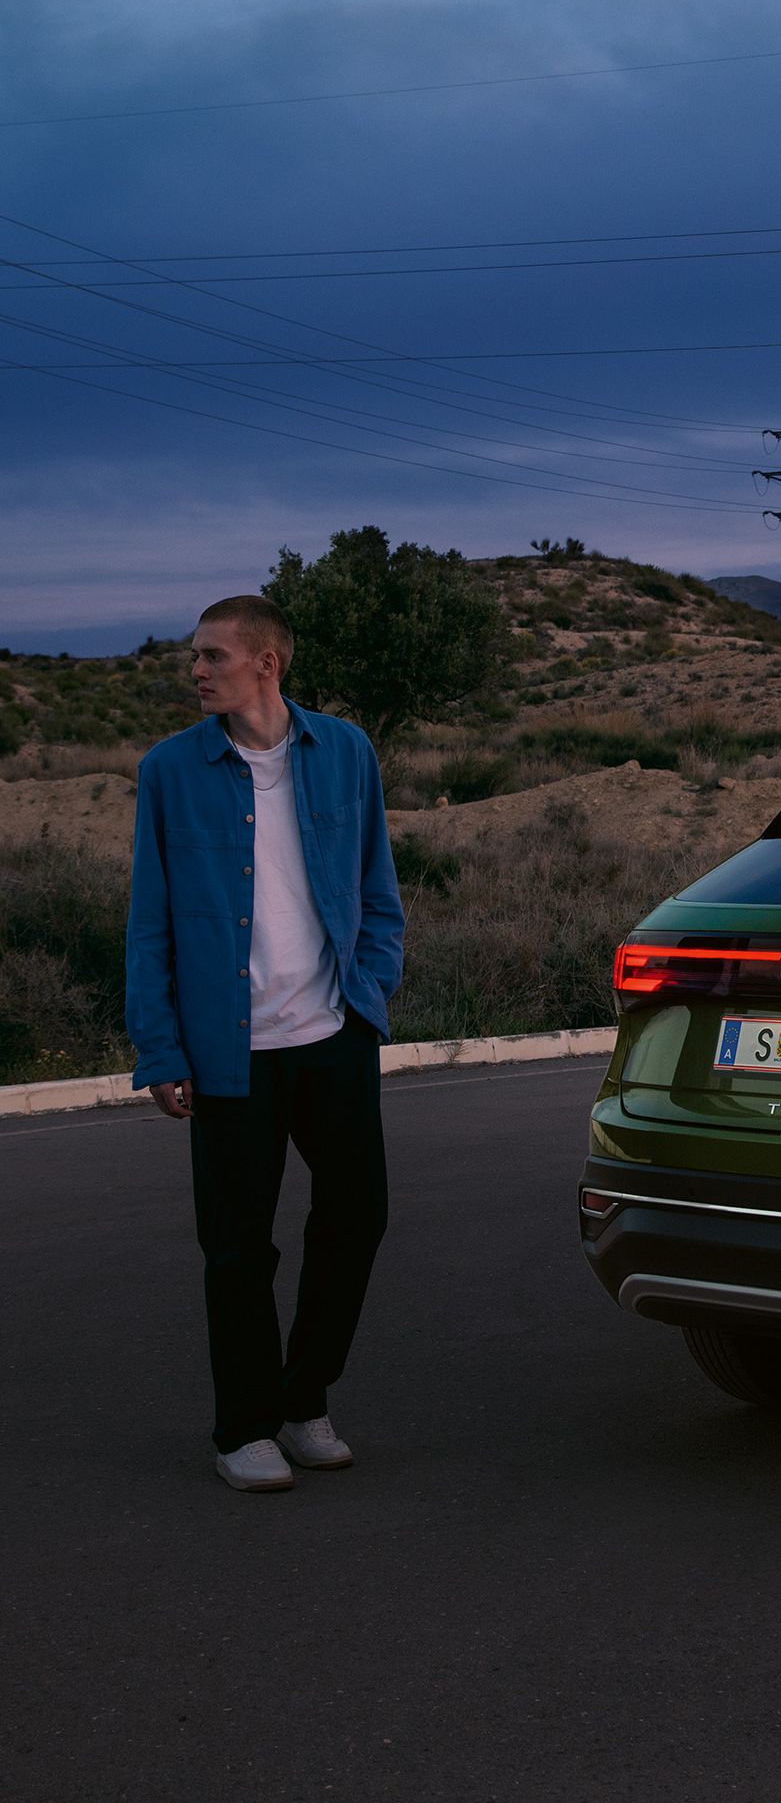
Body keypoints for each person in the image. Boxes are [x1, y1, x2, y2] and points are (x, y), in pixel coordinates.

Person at [126, 595, 404, 1492]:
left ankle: (302, 1398)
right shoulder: (170, 770)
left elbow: (377, 885)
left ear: (266, 663)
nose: (197, 670)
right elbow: (149, 922)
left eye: (212, 655)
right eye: (195, 656)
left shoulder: (345, 751)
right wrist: (160, 1047)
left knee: (356, 1217)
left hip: (333, 1034)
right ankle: (243, 1427)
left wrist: (371, 988)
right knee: (239, 1247)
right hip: (228, 1049)